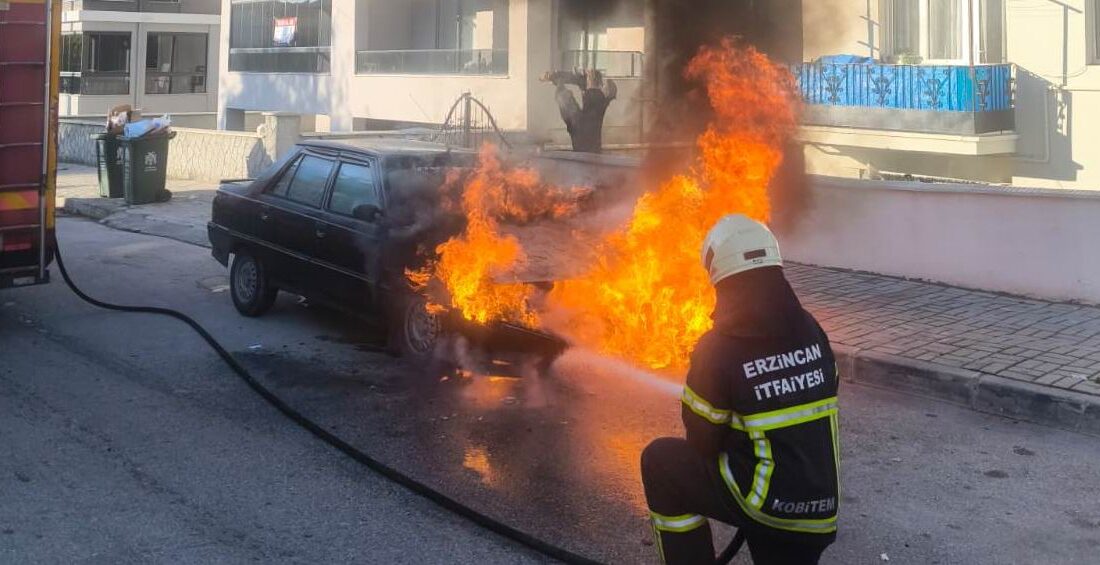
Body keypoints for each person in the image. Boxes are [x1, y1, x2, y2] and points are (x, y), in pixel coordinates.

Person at [641, 214, 840, 564]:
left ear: (721, 278)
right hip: (819, 511)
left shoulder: (719, 347)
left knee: (660, 462)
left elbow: (702, 441)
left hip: (766, 505)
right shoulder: (811, 329)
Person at [541, 68, 617, 153]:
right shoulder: (597, 99)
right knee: (564, 98)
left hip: (584, 142)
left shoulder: (596, 98)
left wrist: (557, 80)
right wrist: (556, 78)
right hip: (587, 145)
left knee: (564, 98)